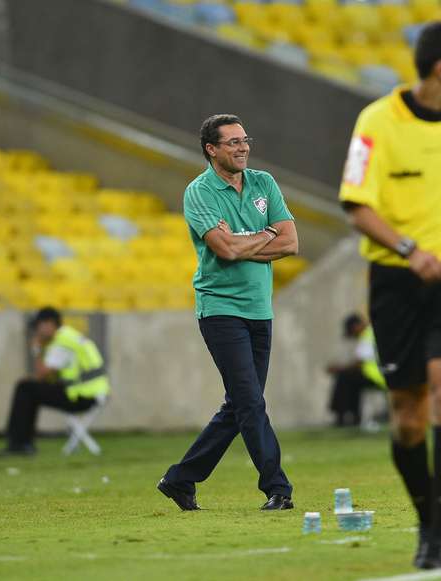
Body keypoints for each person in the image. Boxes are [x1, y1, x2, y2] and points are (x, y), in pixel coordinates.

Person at [339, 22, 441, 569]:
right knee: (408, 416)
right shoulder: (376, 122)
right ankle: (425, 524)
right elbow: (356, 205)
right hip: (395, 278)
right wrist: (410, 250)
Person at [157, 114, 299, 511]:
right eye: (233, 142)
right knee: (251, 402)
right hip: (220, 308)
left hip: (259, 307)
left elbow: (291, 243)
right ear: (212, 149)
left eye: (244, 140)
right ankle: (277, 487)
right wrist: (265, 234)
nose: (243, 148)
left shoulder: (263, 183)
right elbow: (224, 251)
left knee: (240, 404)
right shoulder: (198, 192)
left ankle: (180, 479)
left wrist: (249, 240)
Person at [0, 306, 110, 455]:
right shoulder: (69, 336)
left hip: (82, 395)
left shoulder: (61, 342)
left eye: (38, 327)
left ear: (49, 323)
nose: (37, 332)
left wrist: (37, 348)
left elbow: (42, 374)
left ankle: (19, 443)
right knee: (29, 388)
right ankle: (22, 442)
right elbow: (53, 375)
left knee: (25, 388)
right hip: (92, 393)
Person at [326, 313, 385, 428]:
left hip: (377, 377)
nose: (353, 335)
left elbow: (359, 363)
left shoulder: (368, 335)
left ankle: (343, 416)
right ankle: (351, 415)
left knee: (345, 378)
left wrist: (338, 369)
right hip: (377, 376)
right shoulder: (370, 333)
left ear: (356, 326)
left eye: (351, 331)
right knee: (349, 379)